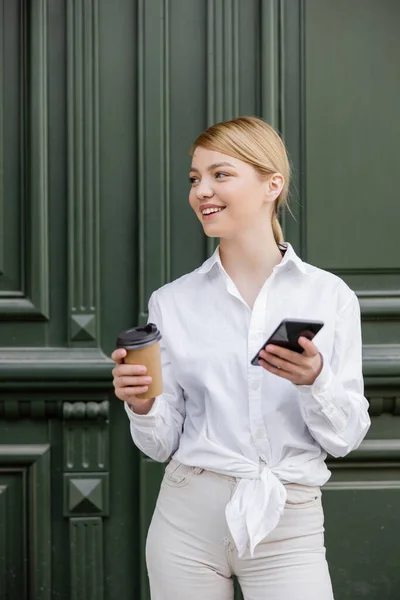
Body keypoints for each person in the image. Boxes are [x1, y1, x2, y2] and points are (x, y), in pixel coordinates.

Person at [111, 116, 370, 600]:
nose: (201, 191)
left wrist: (315, 380)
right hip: (186, 521)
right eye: (194, 179)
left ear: (272, 184)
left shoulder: (330, 296)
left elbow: (346, 438)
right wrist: (143, 406)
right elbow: (161, 442)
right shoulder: (173, 301)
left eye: (220, 174)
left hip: (288, 523)